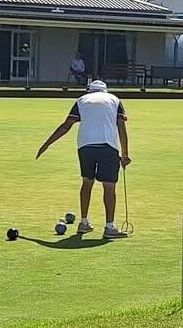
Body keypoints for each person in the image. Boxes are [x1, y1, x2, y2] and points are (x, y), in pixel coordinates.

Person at [35, 79, 132, 239]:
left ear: (89, 91)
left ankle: (84, 223)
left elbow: (66, 126)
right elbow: (121, 126)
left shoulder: (81, 100)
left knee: (87, 182)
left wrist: (46, 144)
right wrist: (125, 154)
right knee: (109, 186)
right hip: (108, 145)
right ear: (105, 91)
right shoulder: (115, 100)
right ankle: (109, 227)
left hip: (85, 145)